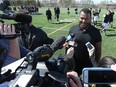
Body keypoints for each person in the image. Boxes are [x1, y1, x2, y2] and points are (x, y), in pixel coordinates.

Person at [67, 8, 102, 76]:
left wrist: (96, 64)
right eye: (82, 18)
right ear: (79, 17)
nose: (84, 21)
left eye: (86, 18)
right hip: (74, 63)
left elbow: (98, 50)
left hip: (89, 64)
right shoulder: (72, 29)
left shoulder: (96, 32)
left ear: (90, 18)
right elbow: (68, 44)